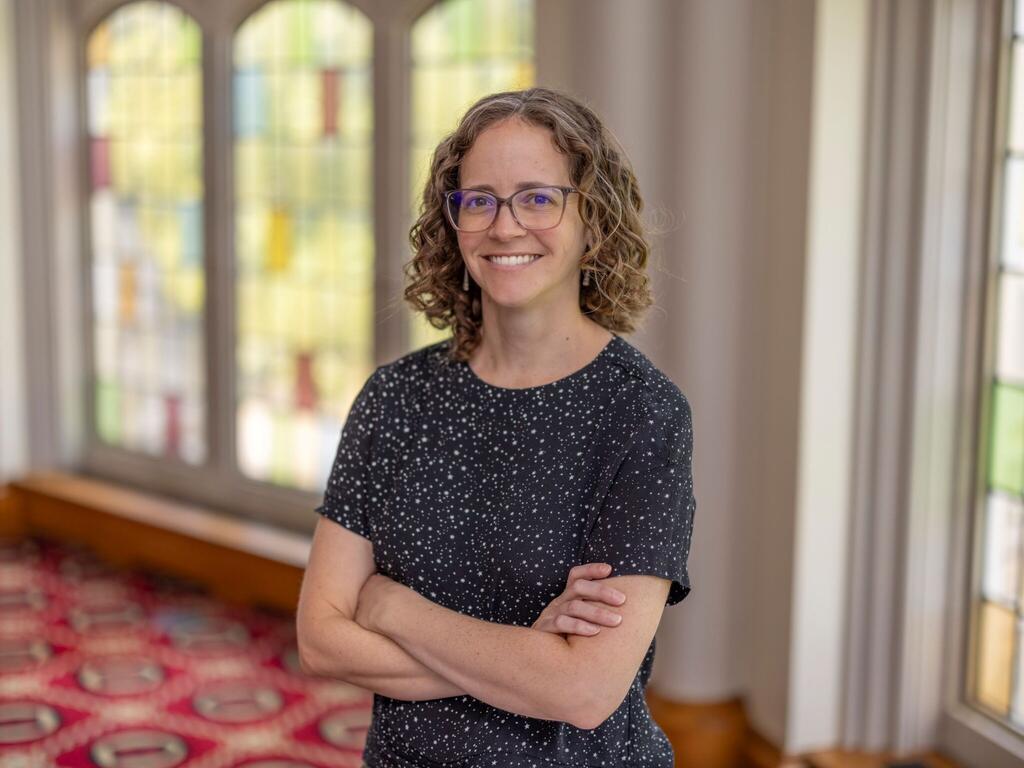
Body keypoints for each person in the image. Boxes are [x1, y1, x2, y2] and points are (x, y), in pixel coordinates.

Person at [296, 86, 697, 768]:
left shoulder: (643, 415)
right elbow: (321, 639)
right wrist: (524, 660)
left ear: (591, 220)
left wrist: (393, 610)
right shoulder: (394, 398)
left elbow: (584, 688)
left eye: (538, 197)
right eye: (479, 199)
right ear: (452, 223)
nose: (504, 226)